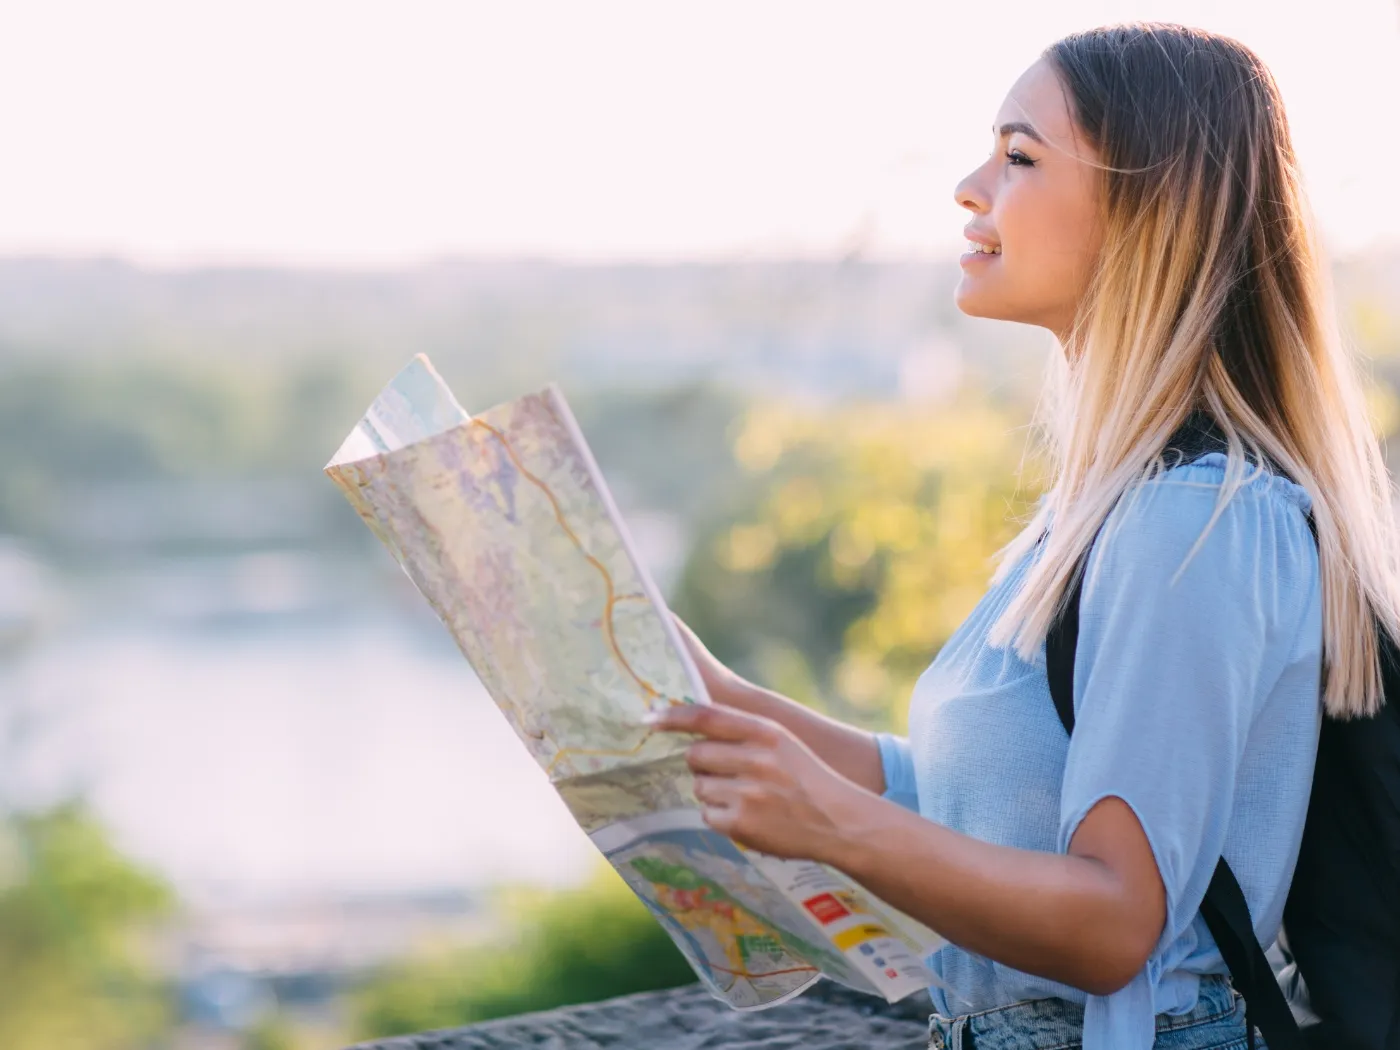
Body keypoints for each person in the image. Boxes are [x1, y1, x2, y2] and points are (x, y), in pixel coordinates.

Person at [647, 21, 1400, 1050]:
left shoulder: (1197, 519)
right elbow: (988, 800)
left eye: (1016, 156)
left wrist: (826, 823)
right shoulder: (1112, 504)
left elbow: (1111, 924)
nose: (969, 186)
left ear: (1149, 211)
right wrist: (716, 701)